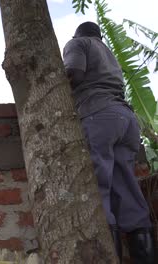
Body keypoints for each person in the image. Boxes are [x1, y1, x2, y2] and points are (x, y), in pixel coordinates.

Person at [63, 21, 155, 263]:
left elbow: (74, 73)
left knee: (97, 187)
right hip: (126, 120)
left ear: (77, 33)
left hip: (98, 114)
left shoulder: (78, 43)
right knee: (126, 186)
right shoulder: (109, 53)